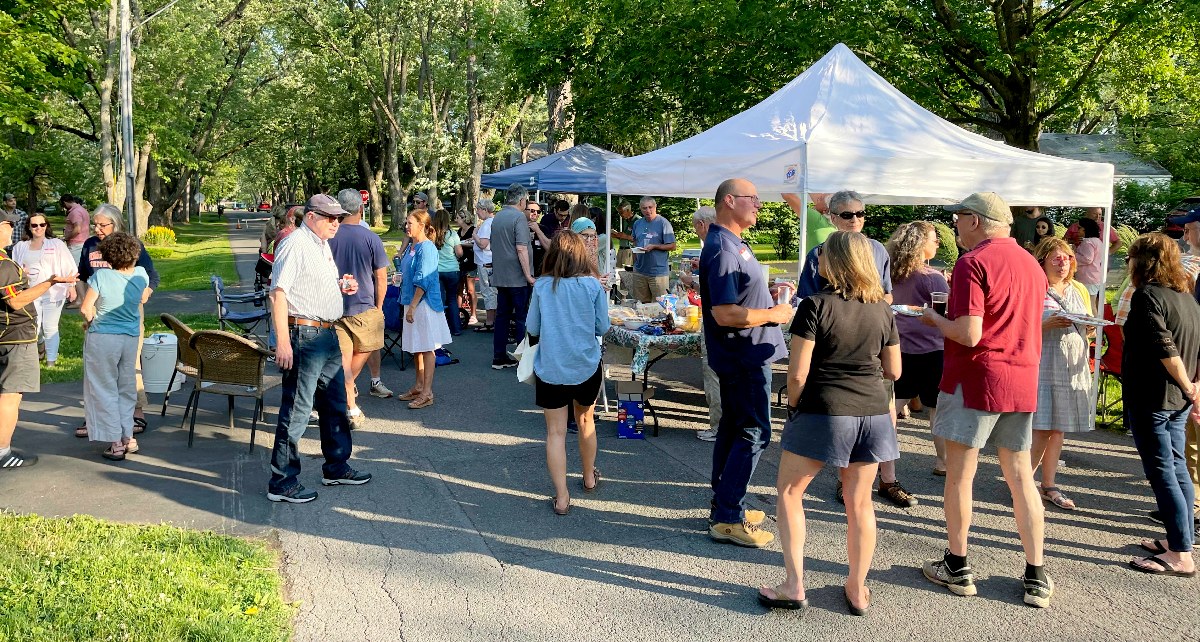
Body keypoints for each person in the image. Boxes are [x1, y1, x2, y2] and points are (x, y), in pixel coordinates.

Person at [919, 191, 1052, 608]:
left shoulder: (972, 262)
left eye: (958, 219)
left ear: (974, 220)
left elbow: (969, 333)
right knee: (1020, 478)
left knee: (961, 475)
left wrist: (932, 319)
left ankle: (957, 566)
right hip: (1021, 379)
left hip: (976, 379)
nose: (955, 227)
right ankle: (1036, 574)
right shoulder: (1032, 263)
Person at [757, 231, 901, 614]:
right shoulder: (883, 309)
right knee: (860, 502)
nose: (815, 261)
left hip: (825, 408)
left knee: (789, 492)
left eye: (820, 256)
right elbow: (895, 370)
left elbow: (797, 374)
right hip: (872, 411)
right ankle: (857, 587)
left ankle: (794, 584)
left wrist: (795, 407)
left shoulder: (814, 306)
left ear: (834, 262)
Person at [700, 178, 793, 548]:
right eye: (751, 198)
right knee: (754, 433)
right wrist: (772, 313)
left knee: (734, 428)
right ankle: (727, 517)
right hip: (743, 356)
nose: (758, 204)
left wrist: (761, 295)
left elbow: (736, 297)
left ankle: (725, 502)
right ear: (728, 200)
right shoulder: (724, 248)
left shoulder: (734, 243)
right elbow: (724, 313)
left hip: (746, 353)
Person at [267, 194, 372, 504]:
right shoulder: (295, 243)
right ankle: (282, 481)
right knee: (298, 409)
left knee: (335, 402)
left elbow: (308, 286)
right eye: (330, 218)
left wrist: (341, 286)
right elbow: (279, 294)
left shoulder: (319, 243)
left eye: (338, 217)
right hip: (305, 335)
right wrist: (282, 342)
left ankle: (336, 465)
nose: (336, 223)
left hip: (325, 333)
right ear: (310, 216)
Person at [1122, 233, 1200, 577]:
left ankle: (1181, 554)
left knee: (1164, 472)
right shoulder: (1186, 298)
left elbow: (1165, 348)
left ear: (1141, 262)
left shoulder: (1147, 296)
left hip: (1155, 396)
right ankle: (1178, 540)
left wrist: (1188, 385)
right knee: (1177, 467)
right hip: (1177, 397)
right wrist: (1193, 388)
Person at [526, 231, 610, 515]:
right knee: (586, 421)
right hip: (586, 364)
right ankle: (588, 477)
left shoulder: (542, 286)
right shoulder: (592, 286)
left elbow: (533, 328)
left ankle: (561, 497)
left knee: (555, 433)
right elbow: (603, 327)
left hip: (551, 366)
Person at [0, 209, 76, 470]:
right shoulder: (4, 264)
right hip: (14, 338)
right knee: (10, 394)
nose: (12, 229)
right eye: (8, 225)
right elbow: (16, 300)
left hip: (5, 335)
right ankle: (3, 452)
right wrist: (50, 282)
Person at [76, 204, 160, 438]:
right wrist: (87, 303)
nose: (98, 228)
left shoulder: (131, 245)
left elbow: (150, 274)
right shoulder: (90, 245)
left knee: (129, 367)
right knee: (100, 371)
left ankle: (136, 412)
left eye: (103, 224)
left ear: (116, 224)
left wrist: (145, 292)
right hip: (98, 313)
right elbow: (82, 276)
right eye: (95, 224)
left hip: (127, 312)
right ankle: (97, 419)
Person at [1030, 237, 1095, 511]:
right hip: (1044, 361)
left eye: (1067, 258)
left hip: (1072, 363)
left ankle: (1049, 484)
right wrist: (1045, 324)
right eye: (1056, 258)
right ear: (1043, 260)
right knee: (1041, 427)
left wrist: (1090, 327)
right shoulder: (1034, 287)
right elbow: (1020, 326)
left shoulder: (1078, 288)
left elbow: (1088, 323)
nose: (1063, 263)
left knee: (1058, 428)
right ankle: (1023, 483)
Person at [80, 232, 150, 461]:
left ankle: (115, 442)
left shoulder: (101, 277)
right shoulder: (141, 275)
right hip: (130, 337)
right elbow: (143, 297)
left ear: (108, 255)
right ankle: (128, 437)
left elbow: (85, 307)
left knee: (103, 388)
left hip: (103, 337)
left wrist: (89, 321)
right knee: (126, 386)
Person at [886, 221, 948, 475]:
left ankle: (882, 459)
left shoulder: (891, 272)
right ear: (921, 244)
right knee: (937, 407)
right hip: (932, 348)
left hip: (899, 346)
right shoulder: (932, 277)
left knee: (892, 405)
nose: (937, 243)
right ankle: (943, 462)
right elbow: (947, 311)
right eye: (934, 239)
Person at [330, 188, 392, 424]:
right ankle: (347, 391)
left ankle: (350, 404)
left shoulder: (330, 236)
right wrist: (379, 305)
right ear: (361, 208)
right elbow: (381, 277)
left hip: (335, 307)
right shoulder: (371, 238)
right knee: (365, 350)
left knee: (344, 358)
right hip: (364, 304)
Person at [396, 209, 451, 409]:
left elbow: (424, 279)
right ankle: (419, 386)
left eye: (410, 223)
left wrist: (412, 306)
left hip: (424, 304)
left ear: (422, 226)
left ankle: (427, 392)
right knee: (417, 347)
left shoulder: (427, 248)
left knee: (427, 347)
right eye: (406, 222)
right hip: (412, 301)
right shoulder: (413, 246)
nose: (406, 226)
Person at [795, 191, 892, 302]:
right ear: (833, 218)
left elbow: (887, 294)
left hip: (871, 316)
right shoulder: (819, 253)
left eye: (860, 214)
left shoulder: (878, 249)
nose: (855, 220)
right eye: (847, 215)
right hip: (833, 317)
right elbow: (807, 298)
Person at [679, 206, 723, 442]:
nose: (696, 231)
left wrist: (691, 282)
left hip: (716, 320)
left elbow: (711, 289)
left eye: (696, 226)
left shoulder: (713, 247)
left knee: (713, 373)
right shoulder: (728, 242)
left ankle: (717, 427)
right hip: (727, 321)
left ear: (702, 225)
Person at [12, 214, 77, 367]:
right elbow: (13, 270)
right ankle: (39, 348)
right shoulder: (20, 247)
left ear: (47, 226)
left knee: (50, 327)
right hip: (30, 292)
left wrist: (71, 286)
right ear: (29, 227)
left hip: (54, 292)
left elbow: (69, 265)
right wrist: (22, 273)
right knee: (35, 326)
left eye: (42, 225)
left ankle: (51, 362)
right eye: (34, 225)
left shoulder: (56, 244)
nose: (39, 228)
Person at [489, 184, 535, 369]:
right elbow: (521, 248)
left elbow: (495, 245)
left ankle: (498, 356)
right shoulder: (519, 217)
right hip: (517, 277)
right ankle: (523, 357)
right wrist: (529, 276)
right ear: (522, 200)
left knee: (502, 316)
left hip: (501, 276)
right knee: (522, 317)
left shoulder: (498, 216)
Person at [629, 196, 676, 303]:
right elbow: (635, 241)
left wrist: (655, 246)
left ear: (655, 207)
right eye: (644, 208)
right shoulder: (638, 223)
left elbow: (673, 246)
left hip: (658, 272)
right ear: (640, 209)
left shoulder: (663, 223)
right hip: (640, 271)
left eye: (650, 207)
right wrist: (635, 263)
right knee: (640, 306)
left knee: (660, 307)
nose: (648, 210)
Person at [433, 209, 464, 336]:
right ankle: (456, 328)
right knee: (452, 299)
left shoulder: (432, 235)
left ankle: (440, 329)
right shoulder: (452, 234)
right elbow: (459, 253)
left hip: (437, 270)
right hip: (452, 270)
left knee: (439, 300)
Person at [472, 198, 498, 333]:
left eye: (478, 209)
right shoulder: (493, 222)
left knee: (488, 292)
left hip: (485, 261)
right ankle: (492, 320)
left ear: (485, 209)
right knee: (492, 292)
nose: (477, 212)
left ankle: (490, 321)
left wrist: (474, 235)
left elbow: (483, 244)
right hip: (490, 261)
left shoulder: (487, 224)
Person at [1073, 217, 1105, 305]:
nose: (1077, 230)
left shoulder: (1087, 242)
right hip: (1095, 277)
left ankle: (1092, 319)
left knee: (1088, 305)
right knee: (1091, 304)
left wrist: (1073, 255)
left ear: (1086, 229)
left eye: (1079, 228)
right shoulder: (1098, 241)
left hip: (1087, 278)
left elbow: (1087, 259)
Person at [455, 209, 477, 326]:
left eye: (458, 218)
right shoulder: (459, 231)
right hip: (460, 263)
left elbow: (473, 243)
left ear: (464, 218)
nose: (456, 220)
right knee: (459, 289)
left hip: (470, 262)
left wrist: (461, 243)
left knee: (470, 289)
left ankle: (473, 314)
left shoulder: (473, 230)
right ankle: (458, 312)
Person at [611, 201, 638, 270]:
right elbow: (625, 236)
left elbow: (640, 238)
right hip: (621, 249)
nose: (620, 215)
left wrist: (624, 236)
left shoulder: (638, 220)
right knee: (619, 272)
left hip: (629, 251)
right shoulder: (625, 220)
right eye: (619, 213)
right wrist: (616, 235)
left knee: (627, 274)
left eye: (621, 212)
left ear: (628, 210)